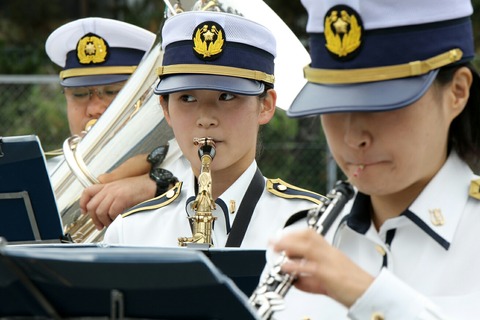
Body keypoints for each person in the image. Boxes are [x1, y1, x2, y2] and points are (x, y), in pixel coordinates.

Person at [254, 0, 480, 319]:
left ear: (457, 91)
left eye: (383, 103)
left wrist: (367, 294)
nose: (352, 137)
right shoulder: (299, 240)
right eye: (332, 106)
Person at [103, 10, 325, 248]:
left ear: (266, 106)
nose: (205, 118)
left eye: (226, 96)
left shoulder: (316, 226)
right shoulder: (129, 231)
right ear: (166, 109)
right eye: (187, 98)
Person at [45, 17, 173, 230]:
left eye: (112, 92)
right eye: (79, 94)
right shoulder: (45, 175)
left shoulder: (183, 173)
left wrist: (160, 186)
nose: (94, 109)